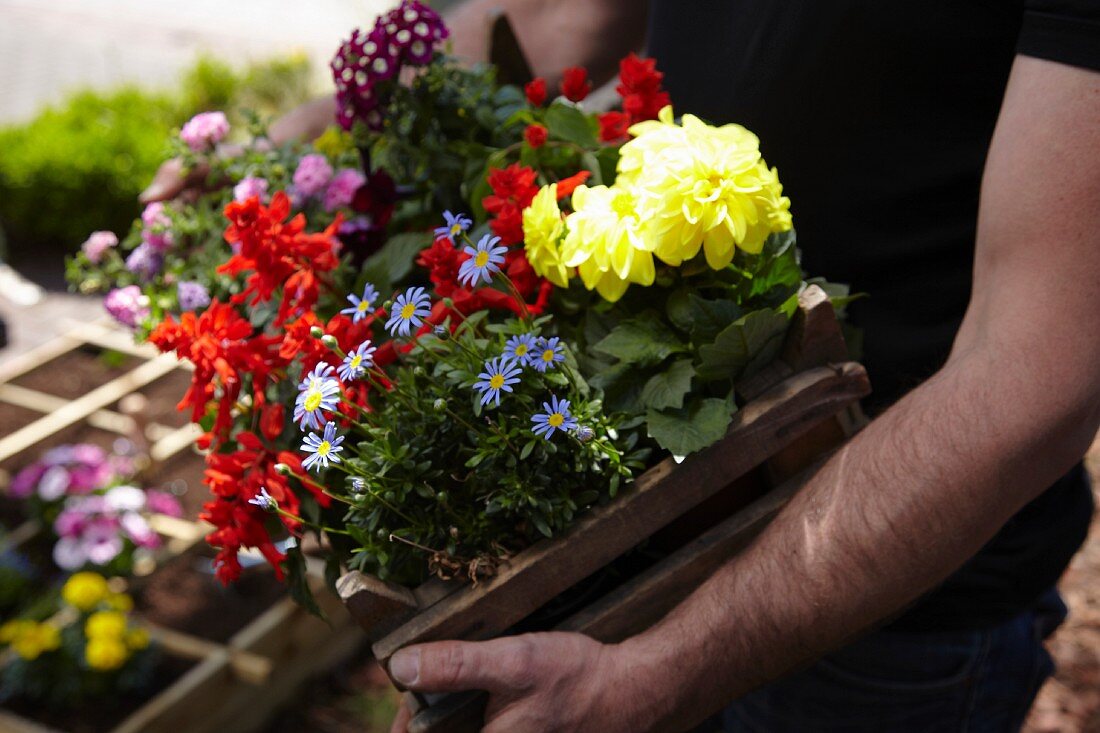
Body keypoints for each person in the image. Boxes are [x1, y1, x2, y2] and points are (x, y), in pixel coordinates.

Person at [147, 1, 1100, 730]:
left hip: (886, 615)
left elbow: (1034, 369)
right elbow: (562, 17)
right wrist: (307, 140)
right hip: (649, 522)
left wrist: (666, 668)